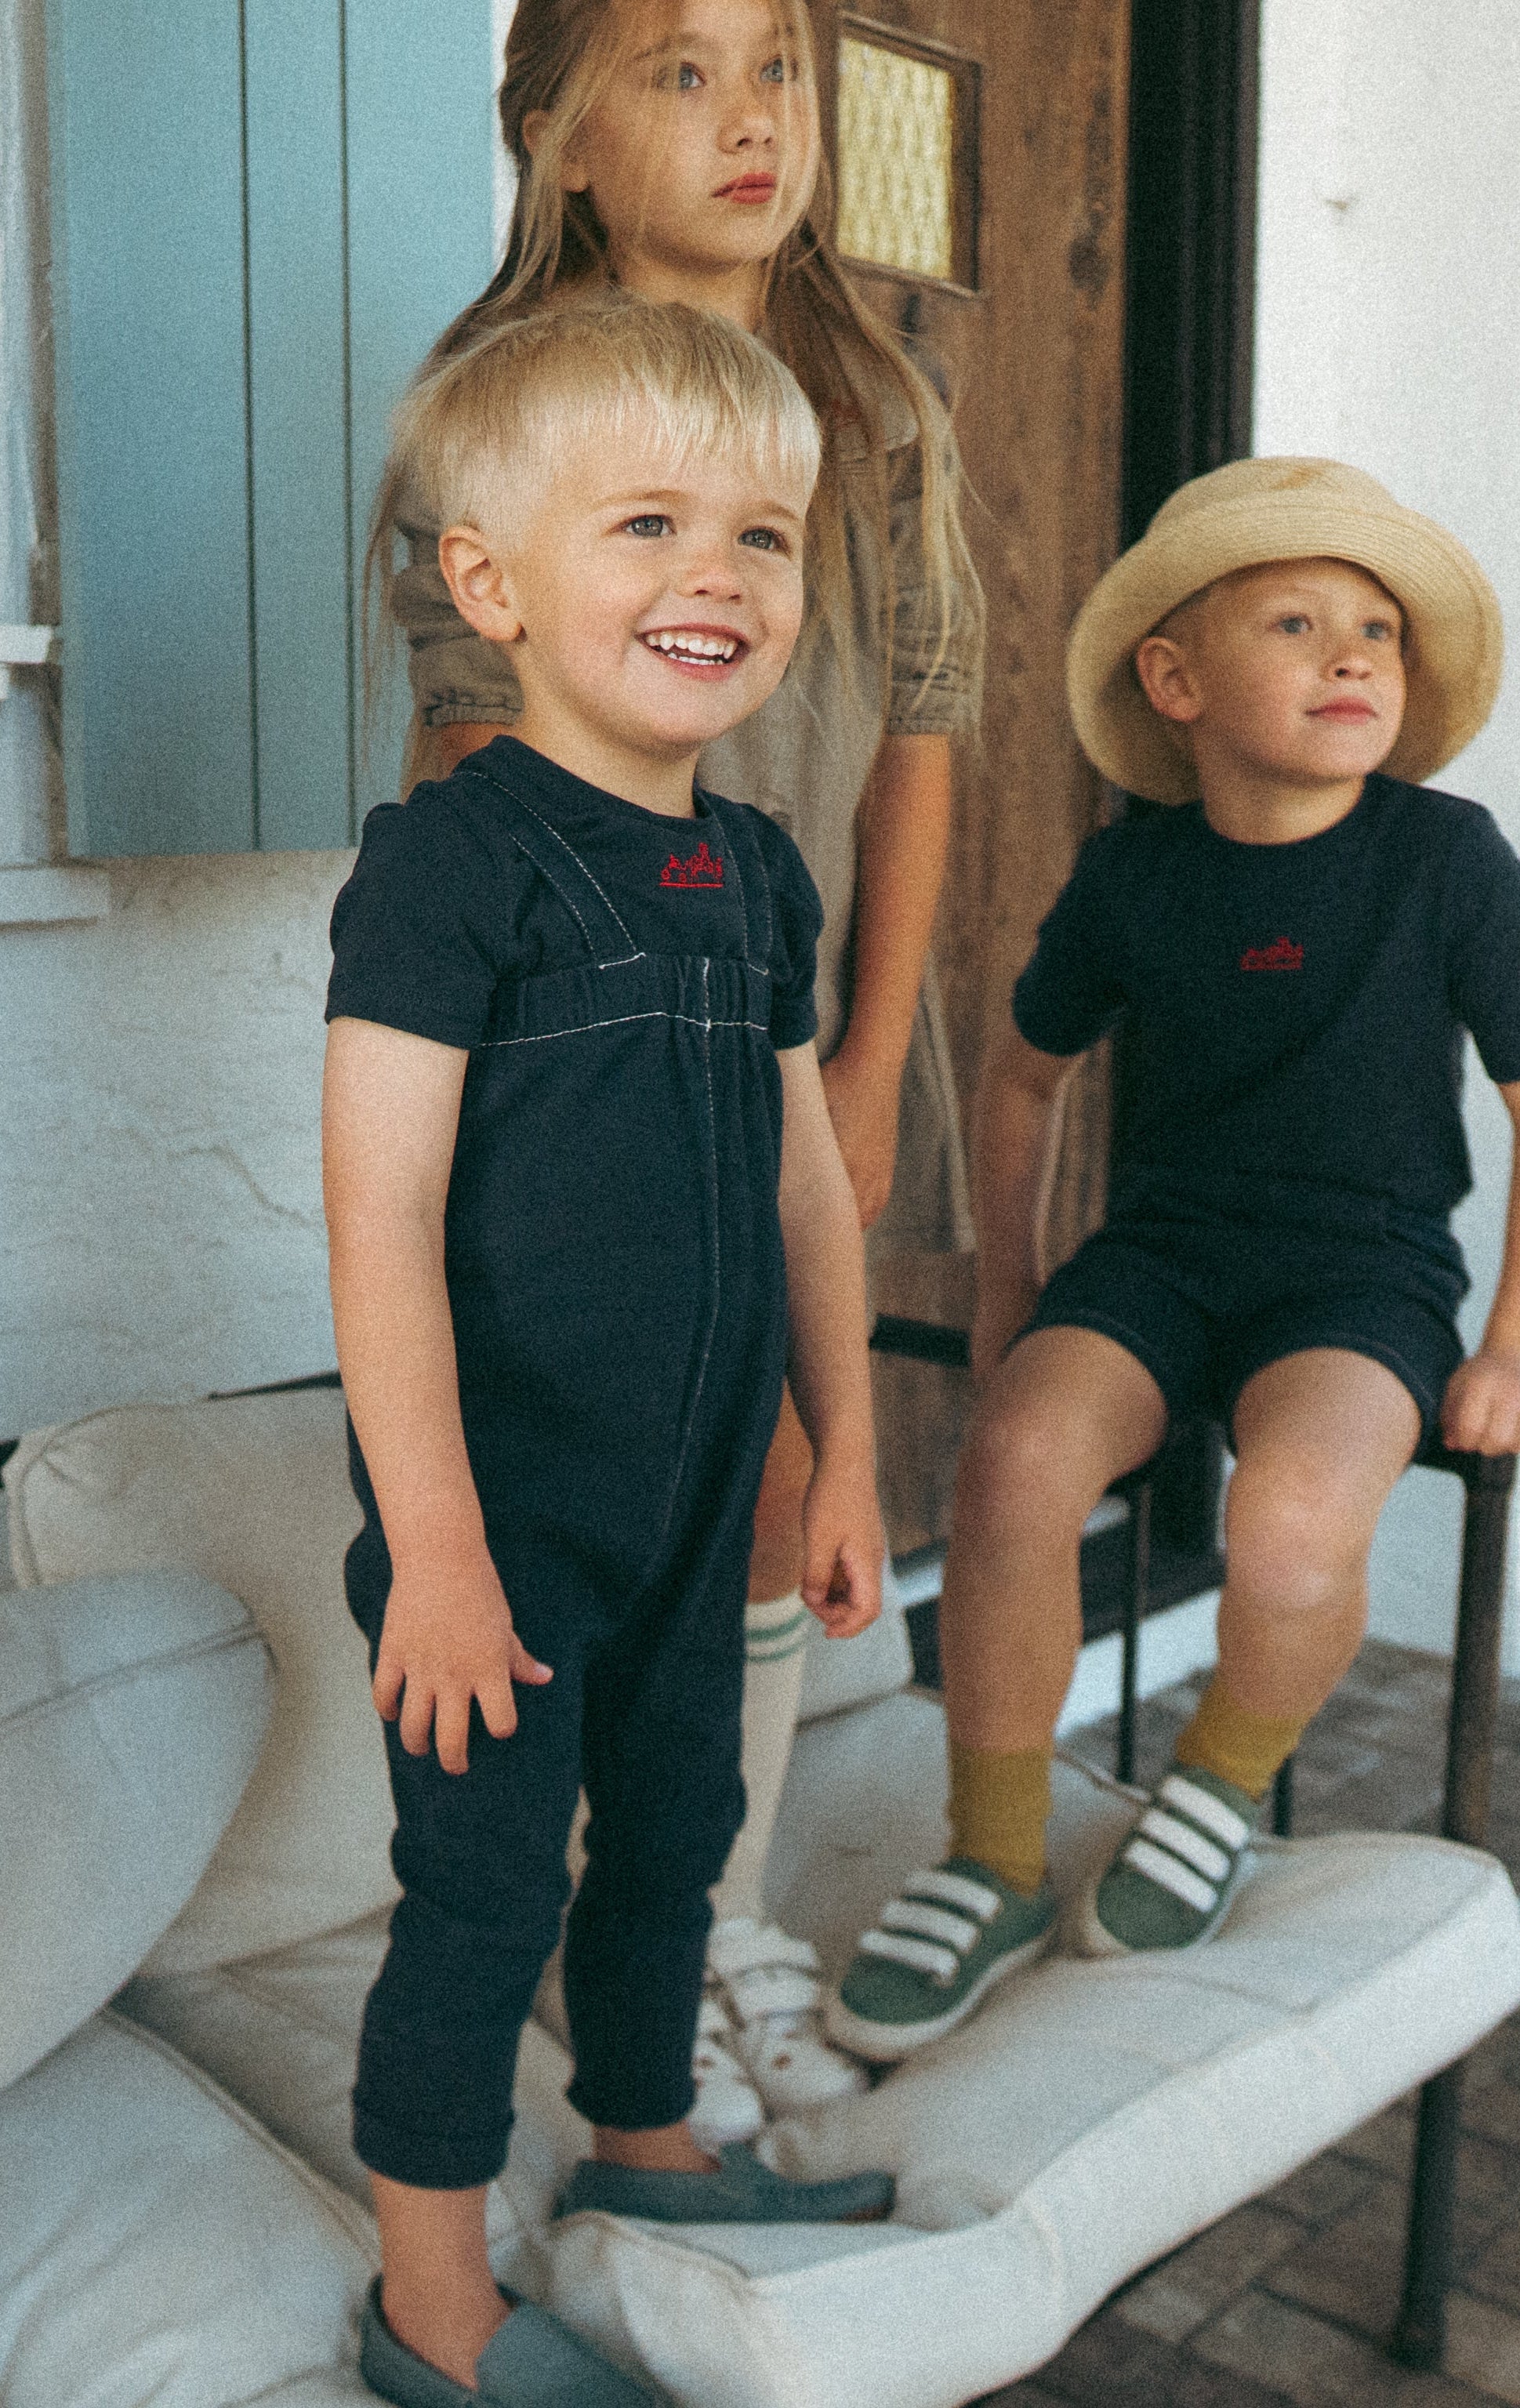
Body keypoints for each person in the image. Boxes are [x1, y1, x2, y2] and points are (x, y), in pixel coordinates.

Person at [374, 0, 983, 2141]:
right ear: (557, 135)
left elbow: (919, 736)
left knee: (768, 1491)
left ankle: (694, 1920)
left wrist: (862, 1069)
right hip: (585, 1055)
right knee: (584, 1477)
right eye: (680, 70)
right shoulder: (497, 414)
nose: (750, 117)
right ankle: (555, 1930)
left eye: (777, 69)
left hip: (790, 1026)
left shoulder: (877, 415)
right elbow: (475, 757)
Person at [829, 455, 1520, 2064]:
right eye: (1297, 623)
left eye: (1378, 631)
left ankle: (1217, 1783)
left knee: (1296, 1518)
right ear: (1175, 682)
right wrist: (1009, 1288)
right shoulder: (1134, 874)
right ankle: (995, 1854)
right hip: (1160, 1260)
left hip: (1359, 1278)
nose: (1352, 655)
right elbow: (1022, 1076)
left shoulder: (1443, 860)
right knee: (1016, 1457)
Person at [326, 299, 896, 2408]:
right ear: (492, 585)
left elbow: (810, 1187)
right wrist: (437, 1548)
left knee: (673, 1839)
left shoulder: (756, 874)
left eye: (761, 534)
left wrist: (846, 1452)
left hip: (693, 1511)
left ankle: (645, 2143)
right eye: (646, 522)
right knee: (484, 1893)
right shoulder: (451, 863)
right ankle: (432, 2301)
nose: (713, 573)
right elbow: (378, 1219)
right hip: (501, 1523)